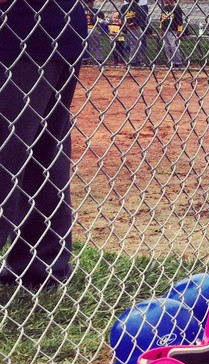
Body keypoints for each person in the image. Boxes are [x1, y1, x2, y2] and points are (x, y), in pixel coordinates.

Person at [0, 0, 87, 290]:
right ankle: (41, 265)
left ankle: (41, 264)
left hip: (15, 30)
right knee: (45, 155)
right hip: (60, 27)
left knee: (12, 155)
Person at [160, 0, 184, 68]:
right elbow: (161, 19)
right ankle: (171, 61)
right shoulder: (165, 8)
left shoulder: (177, 8)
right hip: (165, 30)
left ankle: (178, 62)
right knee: (167, 46)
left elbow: (179, 20)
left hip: (173, 30)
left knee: (173, 46)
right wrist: (161, 29)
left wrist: (179, 30)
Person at [121, 0, 146, 66]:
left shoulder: (138, 7)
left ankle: (136, 60)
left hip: (136, 28)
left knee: (137, 45)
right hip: (129, 29)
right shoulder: (124, 7)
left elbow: (140, 18)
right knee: (133, 45)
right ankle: (134, 61)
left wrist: (134, 23)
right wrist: (126, 25)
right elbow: (122, 18)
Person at [83, 0, 107, 66]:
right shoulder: (95, 10)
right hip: (92, 28)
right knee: (97, 45)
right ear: (91, 2)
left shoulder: (81, 10)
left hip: (83, 29)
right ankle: (99, 60)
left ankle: (85, 59)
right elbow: (102, 21)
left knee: (85, 45)